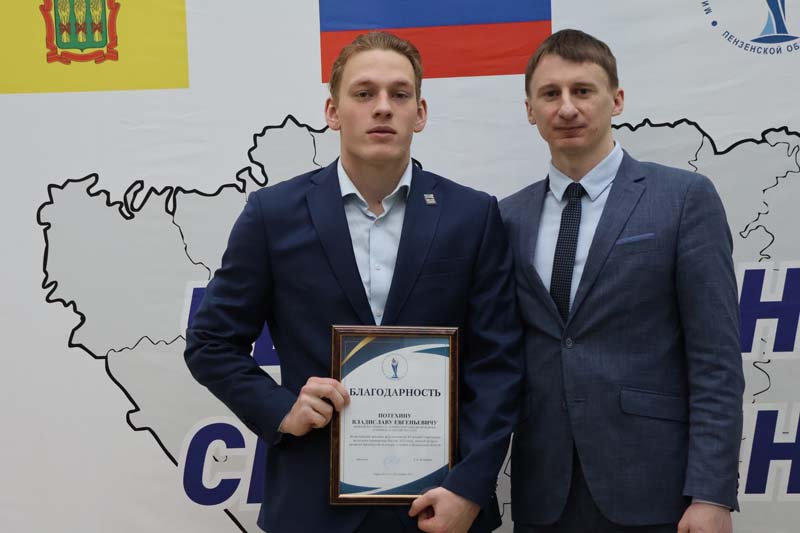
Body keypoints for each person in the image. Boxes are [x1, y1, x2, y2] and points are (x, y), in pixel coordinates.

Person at [185, 31, 522, 533]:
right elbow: (210, 342)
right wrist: (281, 409)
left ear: (420, 113)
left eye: (399, 94)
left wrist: (469, 487)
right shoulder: (273, 215)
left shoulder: (471, 216)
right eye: (364, 93)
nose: (382, 107)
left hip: (440, 507)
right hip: (312, 506)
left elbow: (498, 363)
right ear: (333, 111)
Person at [500, 29, 744, 533]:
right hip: (544, 494)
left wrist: (712, 494)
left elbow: (716, 361)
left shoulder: (683, 199)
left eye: (582, 90)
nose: (567, 107)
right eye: (550, 94)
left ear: (617, 100)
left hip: (658, 492)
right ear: (529, 110)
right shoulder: (507, 218)